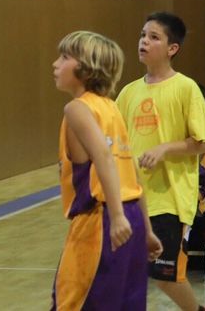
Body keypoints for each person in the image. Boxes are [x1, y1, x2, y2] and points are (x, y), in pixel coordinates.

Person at [51, 30, 157, 310]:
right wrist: (146, 230)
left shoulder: (77, 109)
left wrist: (117, 215)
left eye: (64, 57)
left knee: (72, 303)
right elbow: (131, 173)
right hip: (131, 217)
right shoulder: (111, 108)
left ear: (86, 69)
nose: (56, 64)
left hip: (102, 219)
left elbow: (104, 159)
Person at [115, 12, 205, 311]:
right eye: (143, 35)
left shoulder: (186, 88)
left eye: (154, 37)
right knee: (124, 276)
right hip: (132, 197)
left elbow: (202, 142)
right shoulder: (128, 92)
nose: (144, 41)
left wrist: (164, 149)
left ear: (172, 48)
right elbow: (114, 142)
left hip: (170, 198)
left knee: (166, 277)